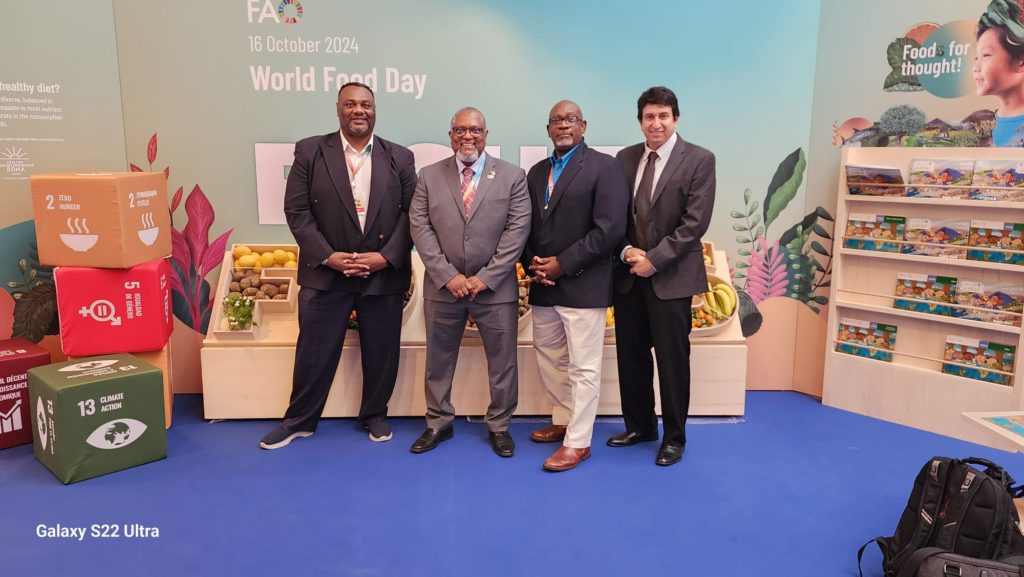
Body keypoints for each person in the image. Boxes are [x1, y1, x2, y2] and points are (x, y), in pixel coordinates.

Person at [259, 82, 417, 449]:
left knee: (382, 351)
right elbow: (296, 210)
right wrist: (328, 256)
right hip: (325, 272)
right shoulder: (311, 151)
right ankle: (299, 420)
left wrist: (385, 257)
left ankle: (375, 414)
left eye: (366, 104)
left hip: (382, 273)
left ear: (375, 110)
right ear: (338, 109)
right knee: (314, 351)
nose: (359, 110)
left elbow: (414, 213)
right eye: (350, 104)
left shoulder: (400, 157)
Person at [408, 107, 531, 457]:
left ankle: (500, 425)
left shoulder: (512, 176)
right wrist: (448, 275)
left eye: (475, 130)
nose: (468, 136)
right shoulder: (429, 176)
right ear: (450, 136)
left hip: (495, 289)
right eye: (460, 130)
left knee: (503, 362)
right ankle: (438, 422)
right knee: (438, 360)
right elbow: (420, 227)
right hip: (443, 288)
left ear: (485, 135)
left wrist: (486, 277)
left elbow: (518, 230)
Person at [608, 86, 716, 466]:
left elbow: (694, 223)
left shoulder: (699, 160)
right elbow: (613, 216)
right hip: (628, 277)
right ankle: (640, 426)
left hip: (672, 278)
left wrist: (654, 259)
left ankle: (674, 437)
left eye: (663, 116)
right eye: (649, 117)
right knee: (632, 357)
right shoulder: (624, 158)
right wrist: (626, 251)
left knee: (672, 363)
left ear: (675, 119)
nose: (656, 123)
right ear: (640, 121)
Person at [522, 100, 628, 472]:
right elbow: (526, 226)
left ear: (583, 125)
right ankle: (564, 418)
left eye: (570, 119)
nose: (563, 125)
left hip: (584, 285)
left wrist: (563, 264)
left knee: (584, 367)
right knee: (550, 358)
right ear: (548, 129)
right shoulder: (537, 172)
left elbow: (609, 229)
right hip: (544, 285)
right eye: (556, 120)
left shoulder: (605, 167)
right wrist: (534, 264)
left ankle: (578, 442)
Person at [975, 0, 1024, 147]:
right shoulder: (975, 126)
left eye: (986, 55)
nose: (975, 67)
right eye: (976, 58)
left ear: (1021, 62)